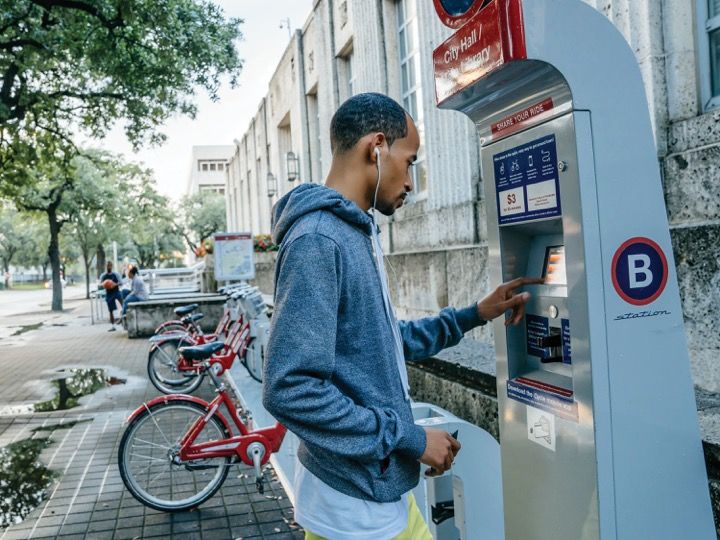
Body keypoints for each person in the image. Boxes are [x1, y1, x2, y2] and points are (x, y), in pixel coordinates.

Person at [263, 92, 542, 539]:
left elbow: (383, 342)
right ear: (376, 147)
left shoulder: (353, 232)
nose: (412, 180)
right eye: (410, 161)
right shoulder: (319, 240)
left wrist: (475, 313)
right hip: (352, 513)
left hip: (377, 494)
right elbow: (289, 388)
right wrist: (411, 440)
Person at [98, 261, 123, 331]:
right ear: (105, 266)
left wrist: (114, 284)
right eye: (107, 266)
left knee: (123, 303)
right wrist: (105, 284)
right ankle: (113, 326)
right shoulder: (103, 276)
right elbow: (100, 284)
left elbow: (121, 283)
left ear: (112, 266)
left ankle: (123, 318)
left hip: (116, 291)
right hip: (109, 293)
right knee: (111, 310)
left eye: (109, 266)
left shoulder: (116, 274)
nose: (108, 267)